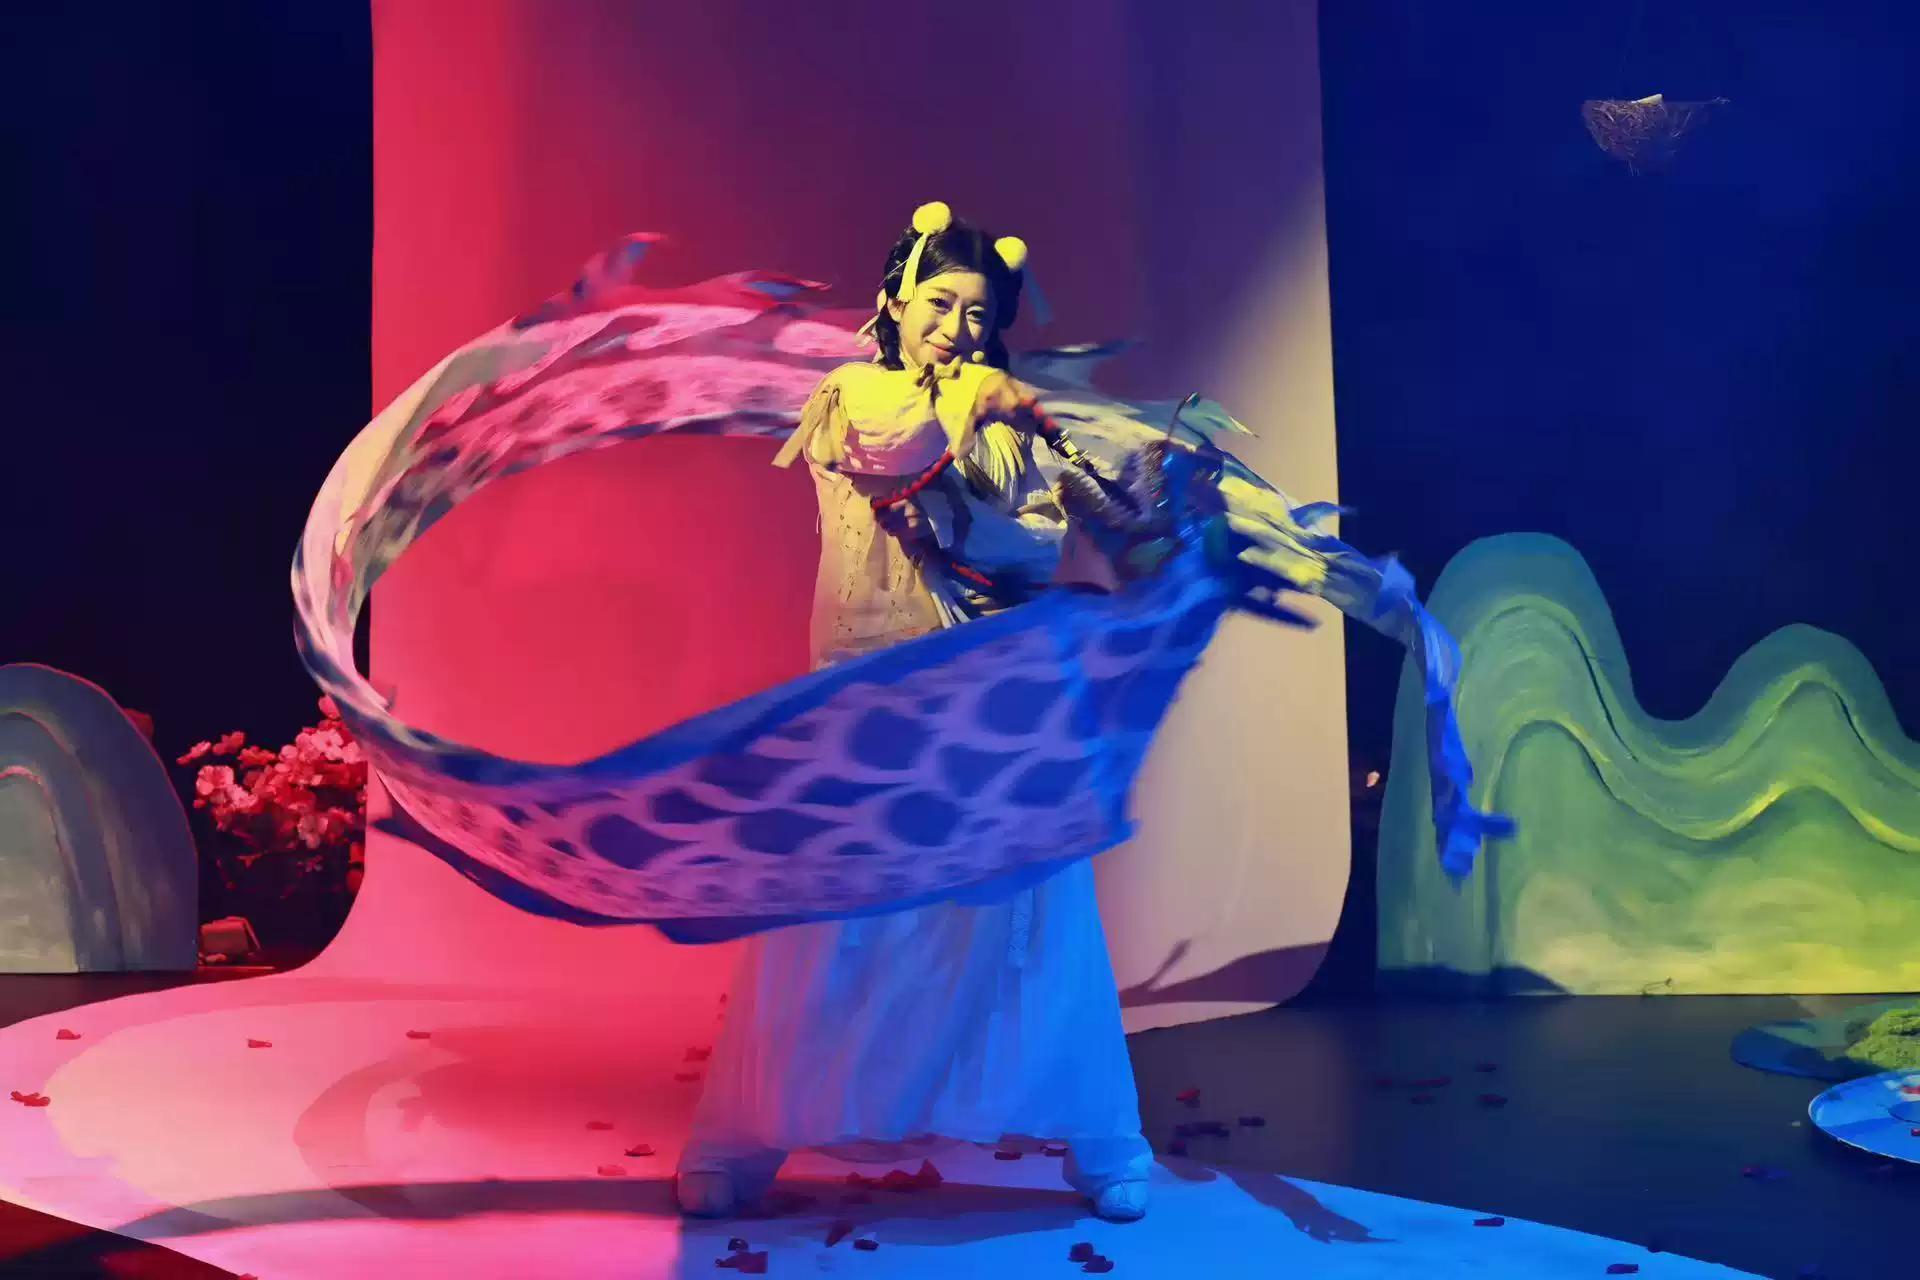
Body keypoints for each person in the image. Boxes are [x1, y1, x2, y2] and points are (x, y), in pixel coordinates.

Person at [675, 202, 1155, 1223]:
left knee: (1030, 920)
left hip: (985, 703)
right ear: (894, 300)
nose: (955, 327)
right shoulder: (854, 393)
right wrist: (981, 408)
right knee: (825, 924)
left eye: (977, 313)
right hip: (861, 697)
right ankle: (742, 1137)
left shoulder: (1004, 421)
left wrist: (1067, 509)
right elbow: (895, 449)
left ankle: (1103, 1137)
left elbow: (1034, 548)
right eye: (938, 302)